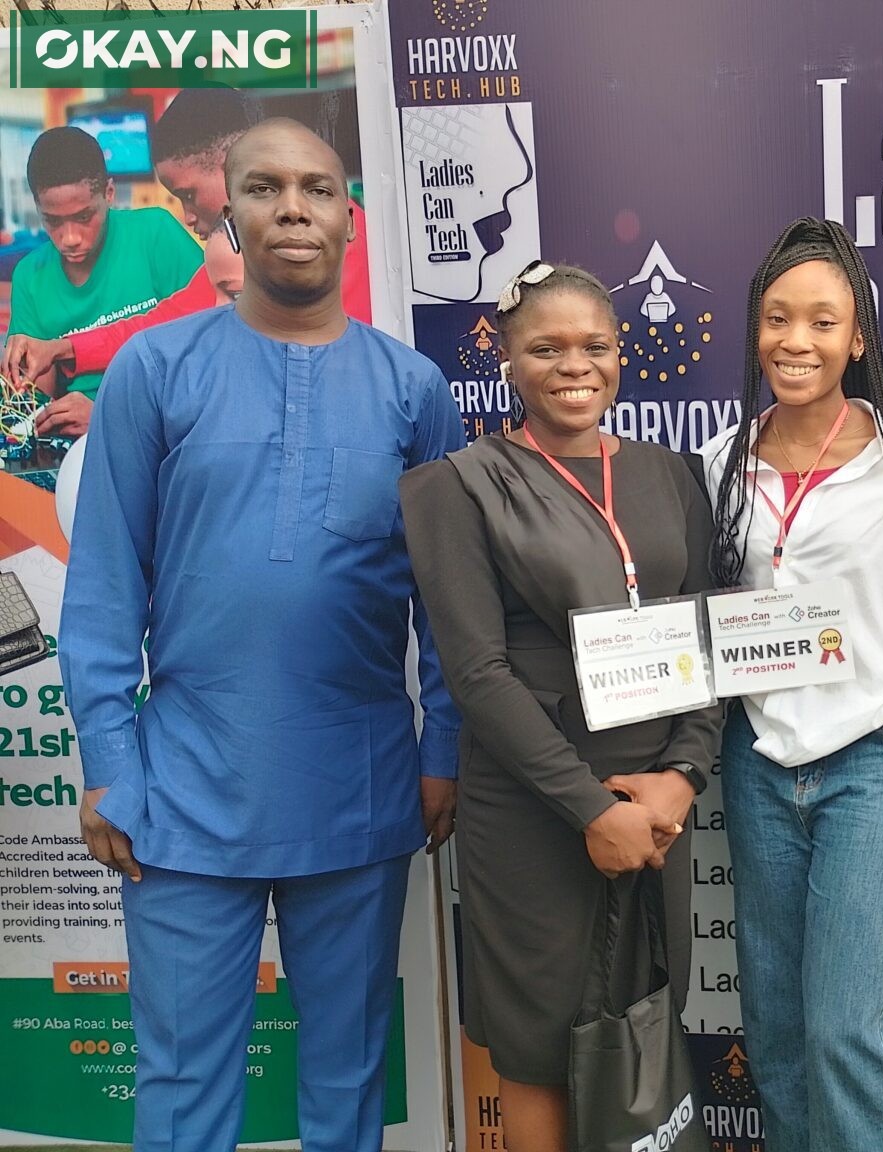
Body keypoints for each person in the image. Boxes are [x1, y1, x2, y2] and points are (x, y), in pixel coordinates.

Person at [58, 119, 464, 1152]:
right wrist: (109, 763)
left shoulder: (412, 389)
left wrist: (444, 752)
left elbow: (450, 602)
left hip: (359, 784)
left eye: (317, 189)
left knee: (348, 1076)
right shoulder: (156, 370)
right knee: (182, 1084)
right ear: (227, 216)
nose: (293, 209)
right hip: (184, 788)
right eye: (266, 188)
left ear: (348, 216)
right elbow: (103, 587)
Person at [400, 261, 723, 1152]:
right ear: (506, 360)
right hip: (533, 806)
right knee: (539, 1046)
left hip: (656, 806)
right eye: (546, 349)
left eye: (594, 346)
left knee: (643, 1022)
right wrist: (590, 810)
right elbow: (477, 674)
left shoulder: (673, 475)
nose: (574, 366)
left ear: (620, 355)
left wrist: (683, 777)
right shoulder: (463, 484)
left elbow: (707, 637)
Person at [702, 217, 883, 1152]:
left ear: (859, 339)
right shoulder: (722, 461)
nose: (796, 341)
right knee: (775, 1028)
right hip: (758, 761)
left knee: (846, 1031)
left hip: (873, 760)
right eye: (778, 318)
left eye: (823, 321)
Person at [3, 87, 373, 401]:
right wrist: (64, 348)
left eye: (189, 195)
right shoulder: (243, 247)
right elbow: (171, 320)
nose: (188, 216)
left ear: (234, 165)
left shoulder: (336, 243)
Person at [1, 126, 202, 437]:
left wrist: (108, 417)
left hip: (168, 424)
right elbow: (32, 405)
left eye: (84, 217)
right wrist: (24, 400)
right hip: (76, 441)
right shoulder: (30, 275)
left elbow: (205, 355)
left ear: (109, 193)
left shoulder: (155, 233)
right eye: (53, 220)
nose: (69, 238)